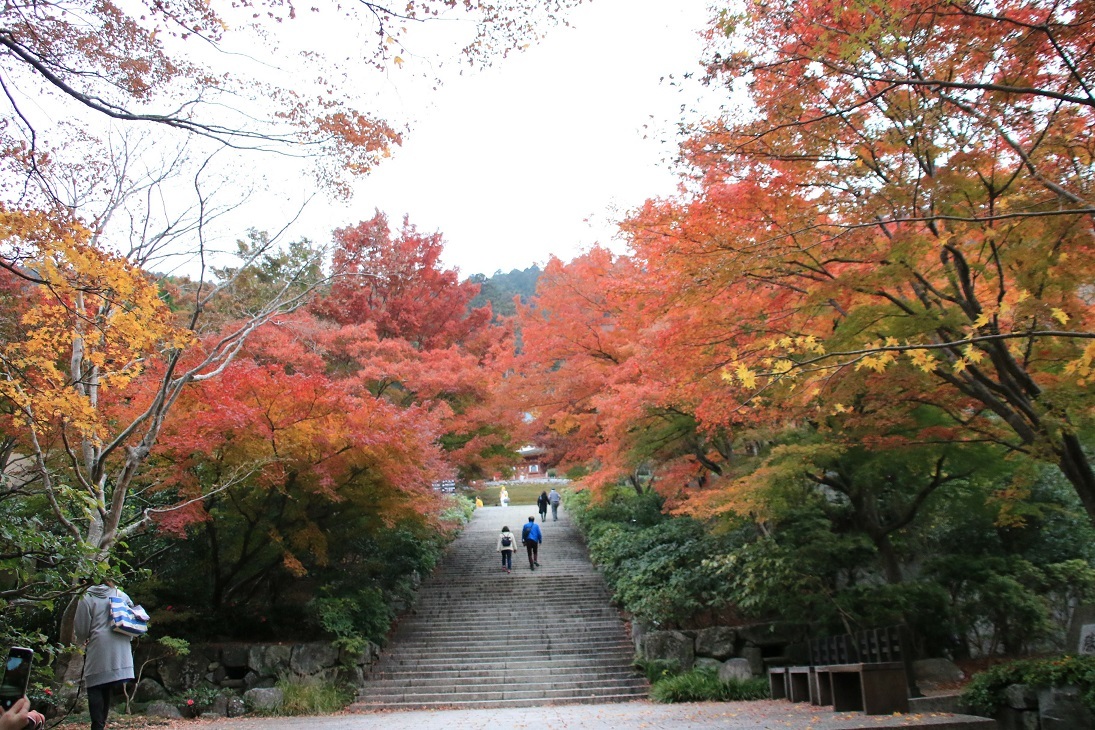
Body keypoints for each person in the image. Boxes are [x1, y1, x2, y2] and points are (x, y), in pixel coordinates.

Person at [75, 582, 137, 730]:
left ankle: (97, 725)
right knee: (106, 684)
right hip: (120, 645)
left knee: (94, 685)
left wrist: (83, 639)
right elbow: (131, 618)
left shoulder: (87, 596)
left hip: (99, 644)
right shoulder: (120, 594)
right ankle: (101, 724)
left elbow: (82, 629)